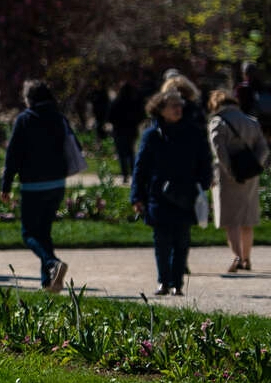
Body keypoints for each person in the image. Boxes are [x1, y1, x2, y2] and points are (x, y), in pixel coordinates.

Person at [132, 87, 212, 297]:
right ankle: (163, 281)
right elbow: (140, 168)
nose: (178, 109)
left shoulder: (193, 132)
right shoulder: (152, 135)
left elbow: (205, 160)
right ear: (161, 109)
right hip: (159, 194)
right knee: (162, 240)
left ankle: (177, 283)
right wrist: (137, 196)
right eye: (173, 105)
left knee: (182, 240)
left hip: (185, 193)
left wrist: (204, 182)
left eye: (180, 105)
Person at [0, 80, 74, 294]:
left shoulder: (25, 120)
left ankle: (51, 264)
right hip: (57, 182)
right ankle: (49, 281)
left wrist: (6, 183)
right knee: (44, 232)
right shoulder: (59, 118)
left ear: (28, 99)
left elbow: (13, 154)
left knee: (29, 233)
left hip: (34, 184)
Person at [207, 89, 268, 273]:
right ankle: (247, 258)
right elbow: (264, 148)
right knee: (247, 219)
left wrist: (232, 171)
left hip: (228, 177)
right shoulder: (252, 122)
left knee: (231, 220)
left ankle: (237, 257)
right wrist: (255, 166)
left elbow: (220, 151)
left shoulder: (218, 122)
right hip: (250, 176)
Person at [108, 77, 148, 184]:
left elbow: (110, 116)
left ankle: (125, 174)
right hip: (131, 130)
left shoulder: (117, 102)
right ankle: (134, 174)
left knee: (122, 154)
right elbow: (142, 115)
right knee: (131, 153)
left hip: (119, 131)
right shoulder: (134, 103)